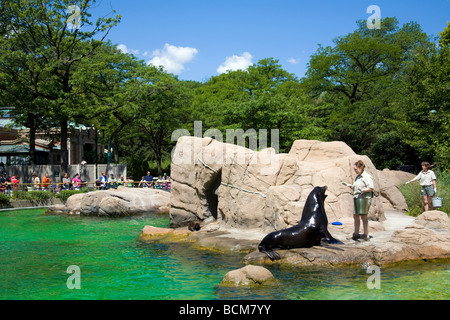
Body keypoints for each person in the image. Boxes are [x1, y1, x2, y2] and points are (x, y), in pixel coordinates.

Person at [344, 160, 374, 241]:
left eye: (356, 169)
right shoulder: (358, 176)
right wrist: (352, 186)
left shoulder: (366, 176)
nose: (355, 171)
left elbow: (371, 188)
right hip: (357, 198)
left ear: (361, 168)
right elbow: (357, 187)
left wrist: (363, 190)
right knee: (356, 215)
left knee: (363, 216)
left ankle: (365, 234)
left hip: (364, 198)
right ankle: (356, 234)